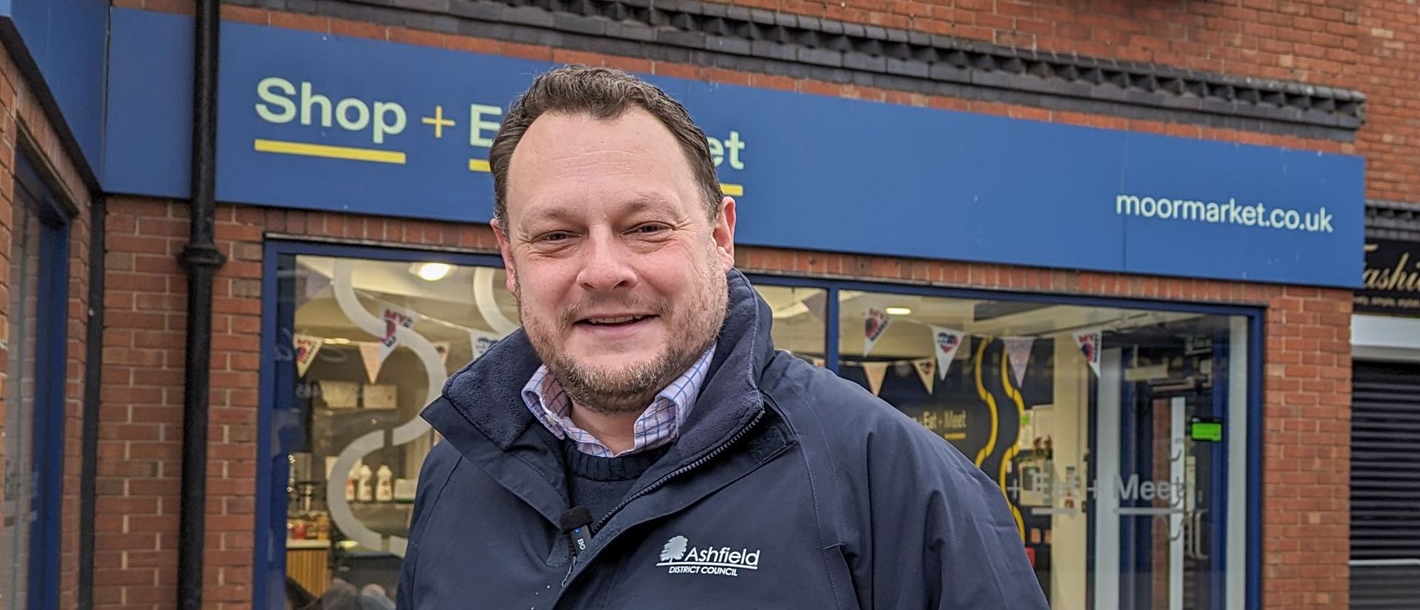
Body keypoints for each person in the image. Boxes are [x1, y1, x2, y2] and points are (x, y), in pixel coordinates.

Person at [396, 66, 1049, 609]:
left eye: (646, 227)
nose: (602, 271)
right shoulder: (456, 473)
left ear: (720, 236)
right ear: (510, 259)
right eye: (556, 236)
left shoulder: (891, 478)